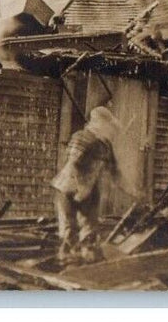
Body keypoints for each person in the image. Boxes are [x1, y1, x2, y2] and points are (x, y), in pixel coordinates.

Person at [51, 106, 121, 265]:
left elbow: (114, 171)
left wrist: (131, 189)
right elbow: (72, 165)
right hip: (68, 187)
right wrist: (79, 188)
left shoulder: (105, 145)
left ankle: (88, 259)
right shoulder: (81, 137)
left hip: (89, 189)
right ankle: (66, 262)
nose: (110, 130)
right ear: (97, 124)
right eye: (107, 125)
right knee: (70, 227)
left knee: (90, 227)